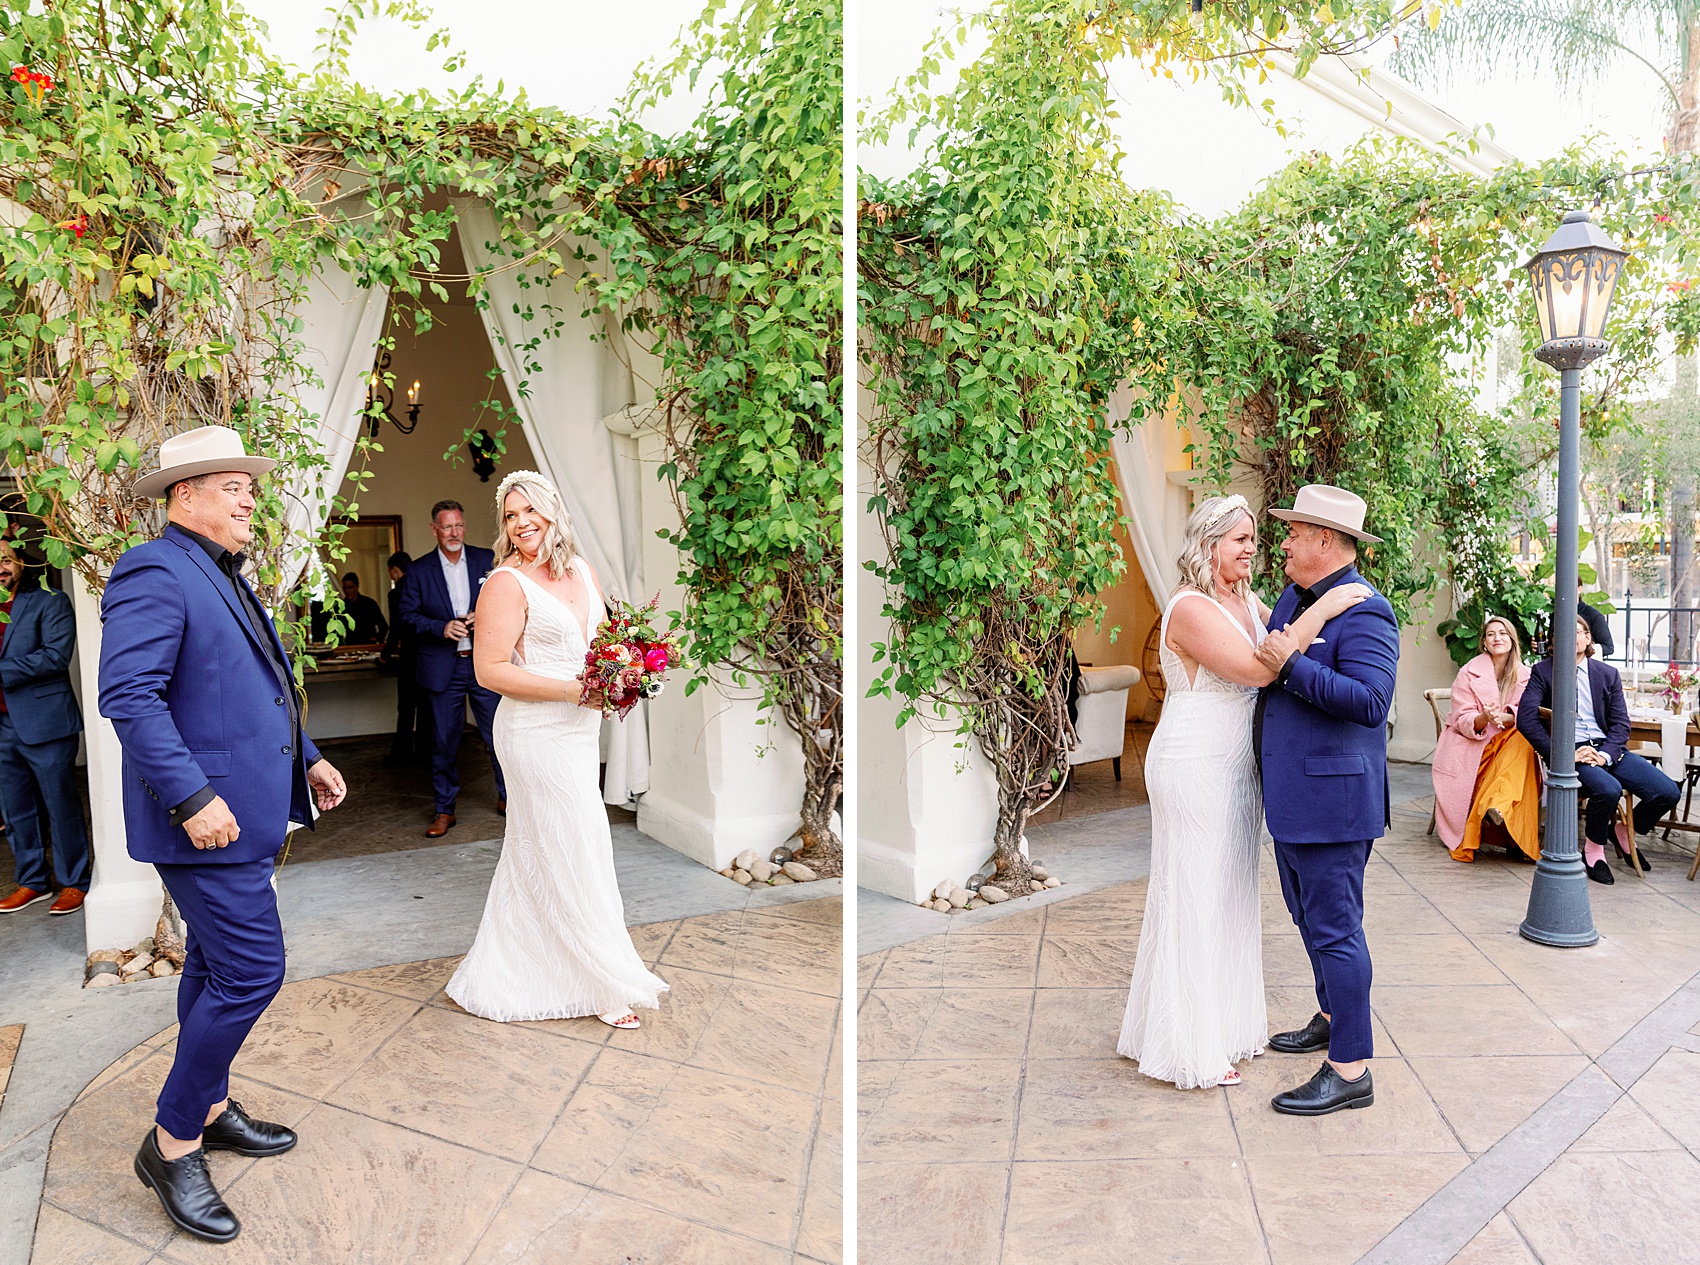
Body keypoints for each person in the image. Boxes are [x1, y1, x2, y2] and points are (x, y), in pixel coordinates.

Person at [98, 426, 347, 1243]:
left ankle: (208, 1102)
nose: (249, 498)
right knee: (253, 971)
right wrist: (194, 796)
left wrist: (304, 755)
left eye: (250, 485)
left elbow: (256, 688)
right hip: (203, 824)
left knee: (212, 965)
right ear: (184, 495)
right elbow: (130, 696)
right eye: (232, 484)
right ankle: (173, 1142)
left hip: (244, 809)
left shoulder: (223, 572)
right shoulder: (153, 569)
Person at [1118, 494, 1369, 1090]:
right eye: (1241, 540)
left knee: (1228, 892)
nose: (1253, 549)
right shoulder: (1189, 608)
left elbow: (1274, 632)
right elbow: (1262, 667)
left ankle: (1223, 1024)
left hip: (1237, 767)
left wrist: (1311, 607)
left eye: (1255, 538)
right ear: (1209, 546)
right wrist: (1327, 603)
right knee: (1196, 891)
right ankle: (1190, 1045)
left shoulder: (1243, 598)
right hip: (1195, 759)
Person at [445, 472, 665, 1029]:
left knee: (548, 848)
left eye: (529, 512)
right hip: (535, 733)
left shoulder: (582, 571)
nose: (521, 524)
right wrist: (575, 690)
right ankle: (600, 981)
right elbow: (489, 670)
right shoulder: (505, 583)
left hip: (579, 729)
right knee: (577, 840)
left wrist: (626, 672)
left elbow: (599, 646)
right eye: (510, 517)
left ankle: (529, 967)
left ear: (551, 511)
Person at [1252, 485, 1399, 1117]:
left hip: (1334, 806)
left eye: (1292, 532)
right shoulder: (1294, 596)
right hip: (1293, 798)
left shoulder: (1369, 612)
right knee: (1308, 919)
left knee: (1337, 931)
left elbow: (1372, 703)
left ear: (1323, 540)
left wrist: (1291, 664)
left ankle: (1351, 1066)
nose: (1282, 542)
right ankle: (1334, 1014)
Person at [1517, 614, 1681, 884]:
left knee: (1667, 791)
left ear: (1588, 638)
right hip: (1573, 753)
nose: (1572, 636)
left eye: (1578, 631)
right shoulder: (1543, 671)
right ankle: (1593, 849)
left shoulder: (1607, 674)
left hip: (1608, 750)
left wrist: (1605, 755)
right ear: (1554, 641)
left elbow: (1620, 723)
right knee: (1608, 789)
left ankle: (1623, 830)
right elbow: (1525, 719)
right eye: (1563, 632)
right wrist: (1561, 754)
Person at [397, 500, 506, 836]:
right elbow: (406, 617)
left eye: (459, 525)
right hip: (444, 669)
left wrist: (483, 616)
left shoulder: (487, 560)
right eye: (448, 527)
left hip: (484, 664)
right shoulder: (418, 570)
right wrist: (441, 628)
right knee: (443, 743)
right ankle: (445, 811)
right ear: (435, 530)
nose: (455, 532)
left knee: (500, 736)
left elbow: (509, 601)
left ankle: (509, 798)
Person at [0, 541, 92, 915]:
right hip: (2, 725)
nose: (0, 568)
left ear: (20, 561)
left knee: (60, 805)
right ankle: (33, 881)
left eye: (5, 559)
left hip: (45, 723)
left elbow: (55, 657)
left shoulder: (49, 600)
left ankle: (75, 881)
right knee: (15, 810)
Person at [1432, 616, 1541, 864]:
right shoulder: (1468, 673)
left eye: (1503, 633)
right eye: (1491, 634)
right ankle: (1496, 807)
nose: (1497, 638)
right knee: (1522, 752)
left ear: (1512, 640)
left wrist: (1505, 717)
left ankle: (1496, 805)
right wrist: (1483, 717)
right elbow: (1461, 719)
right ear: (1484, 643)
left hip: (1508, 747)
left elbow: (1526, 713)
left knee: (1523, 743)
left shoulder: (1525, 675)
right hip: (1473, 747)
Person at [380, 551, 428, 766]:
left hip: (409, 657)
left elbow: (396, 627)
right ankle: (425, 755)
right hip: (429, 655)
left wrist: (385, 655)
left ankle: (401, 755)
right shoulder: (423, 586)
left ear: (394, 570)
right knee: (426, 707)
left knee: (407, 707)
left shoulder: (397, 592)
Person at [338, 572, 388, 645]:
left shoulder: (369, 604)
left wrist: (378, 638)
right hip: (349, 646)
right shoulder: (341, 607)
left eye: (350, 587)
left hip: (368, 645)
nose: (347, 591)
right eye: (345, 588)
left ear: (357, 586)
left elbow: (383, 626)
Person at [1578, 578, 1614, 659]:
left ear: (1579, 589)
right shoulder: (1556, 615)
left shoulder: (1593, 615)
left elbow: (1609, 647)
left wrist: (1585, 649)